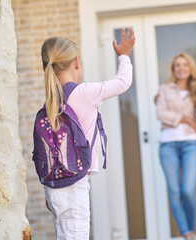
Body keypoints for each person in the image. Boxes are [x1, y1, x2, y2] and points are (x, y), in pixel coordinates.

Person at [38, 28, 135, 239]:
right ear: (76, 62)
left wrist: (49, 186)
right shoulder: (83, 92)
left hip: (53, 184)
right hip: (74, 184)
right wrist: (125, 56)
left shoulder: (51, 101)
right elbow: (123, 82)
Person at [156, 53, 196, 240]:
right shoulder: (164, 89)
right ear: (173, 69)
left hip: (190, 144)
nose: (181, 68)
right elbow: (160, 114)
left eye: (185, 65)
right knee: (174, 190)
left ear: (190, 69)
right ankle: (186, 233)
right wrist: (186, 119)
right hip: (168, 145)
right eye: (178, 65)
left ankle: (191, 229)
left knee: (188, 190)